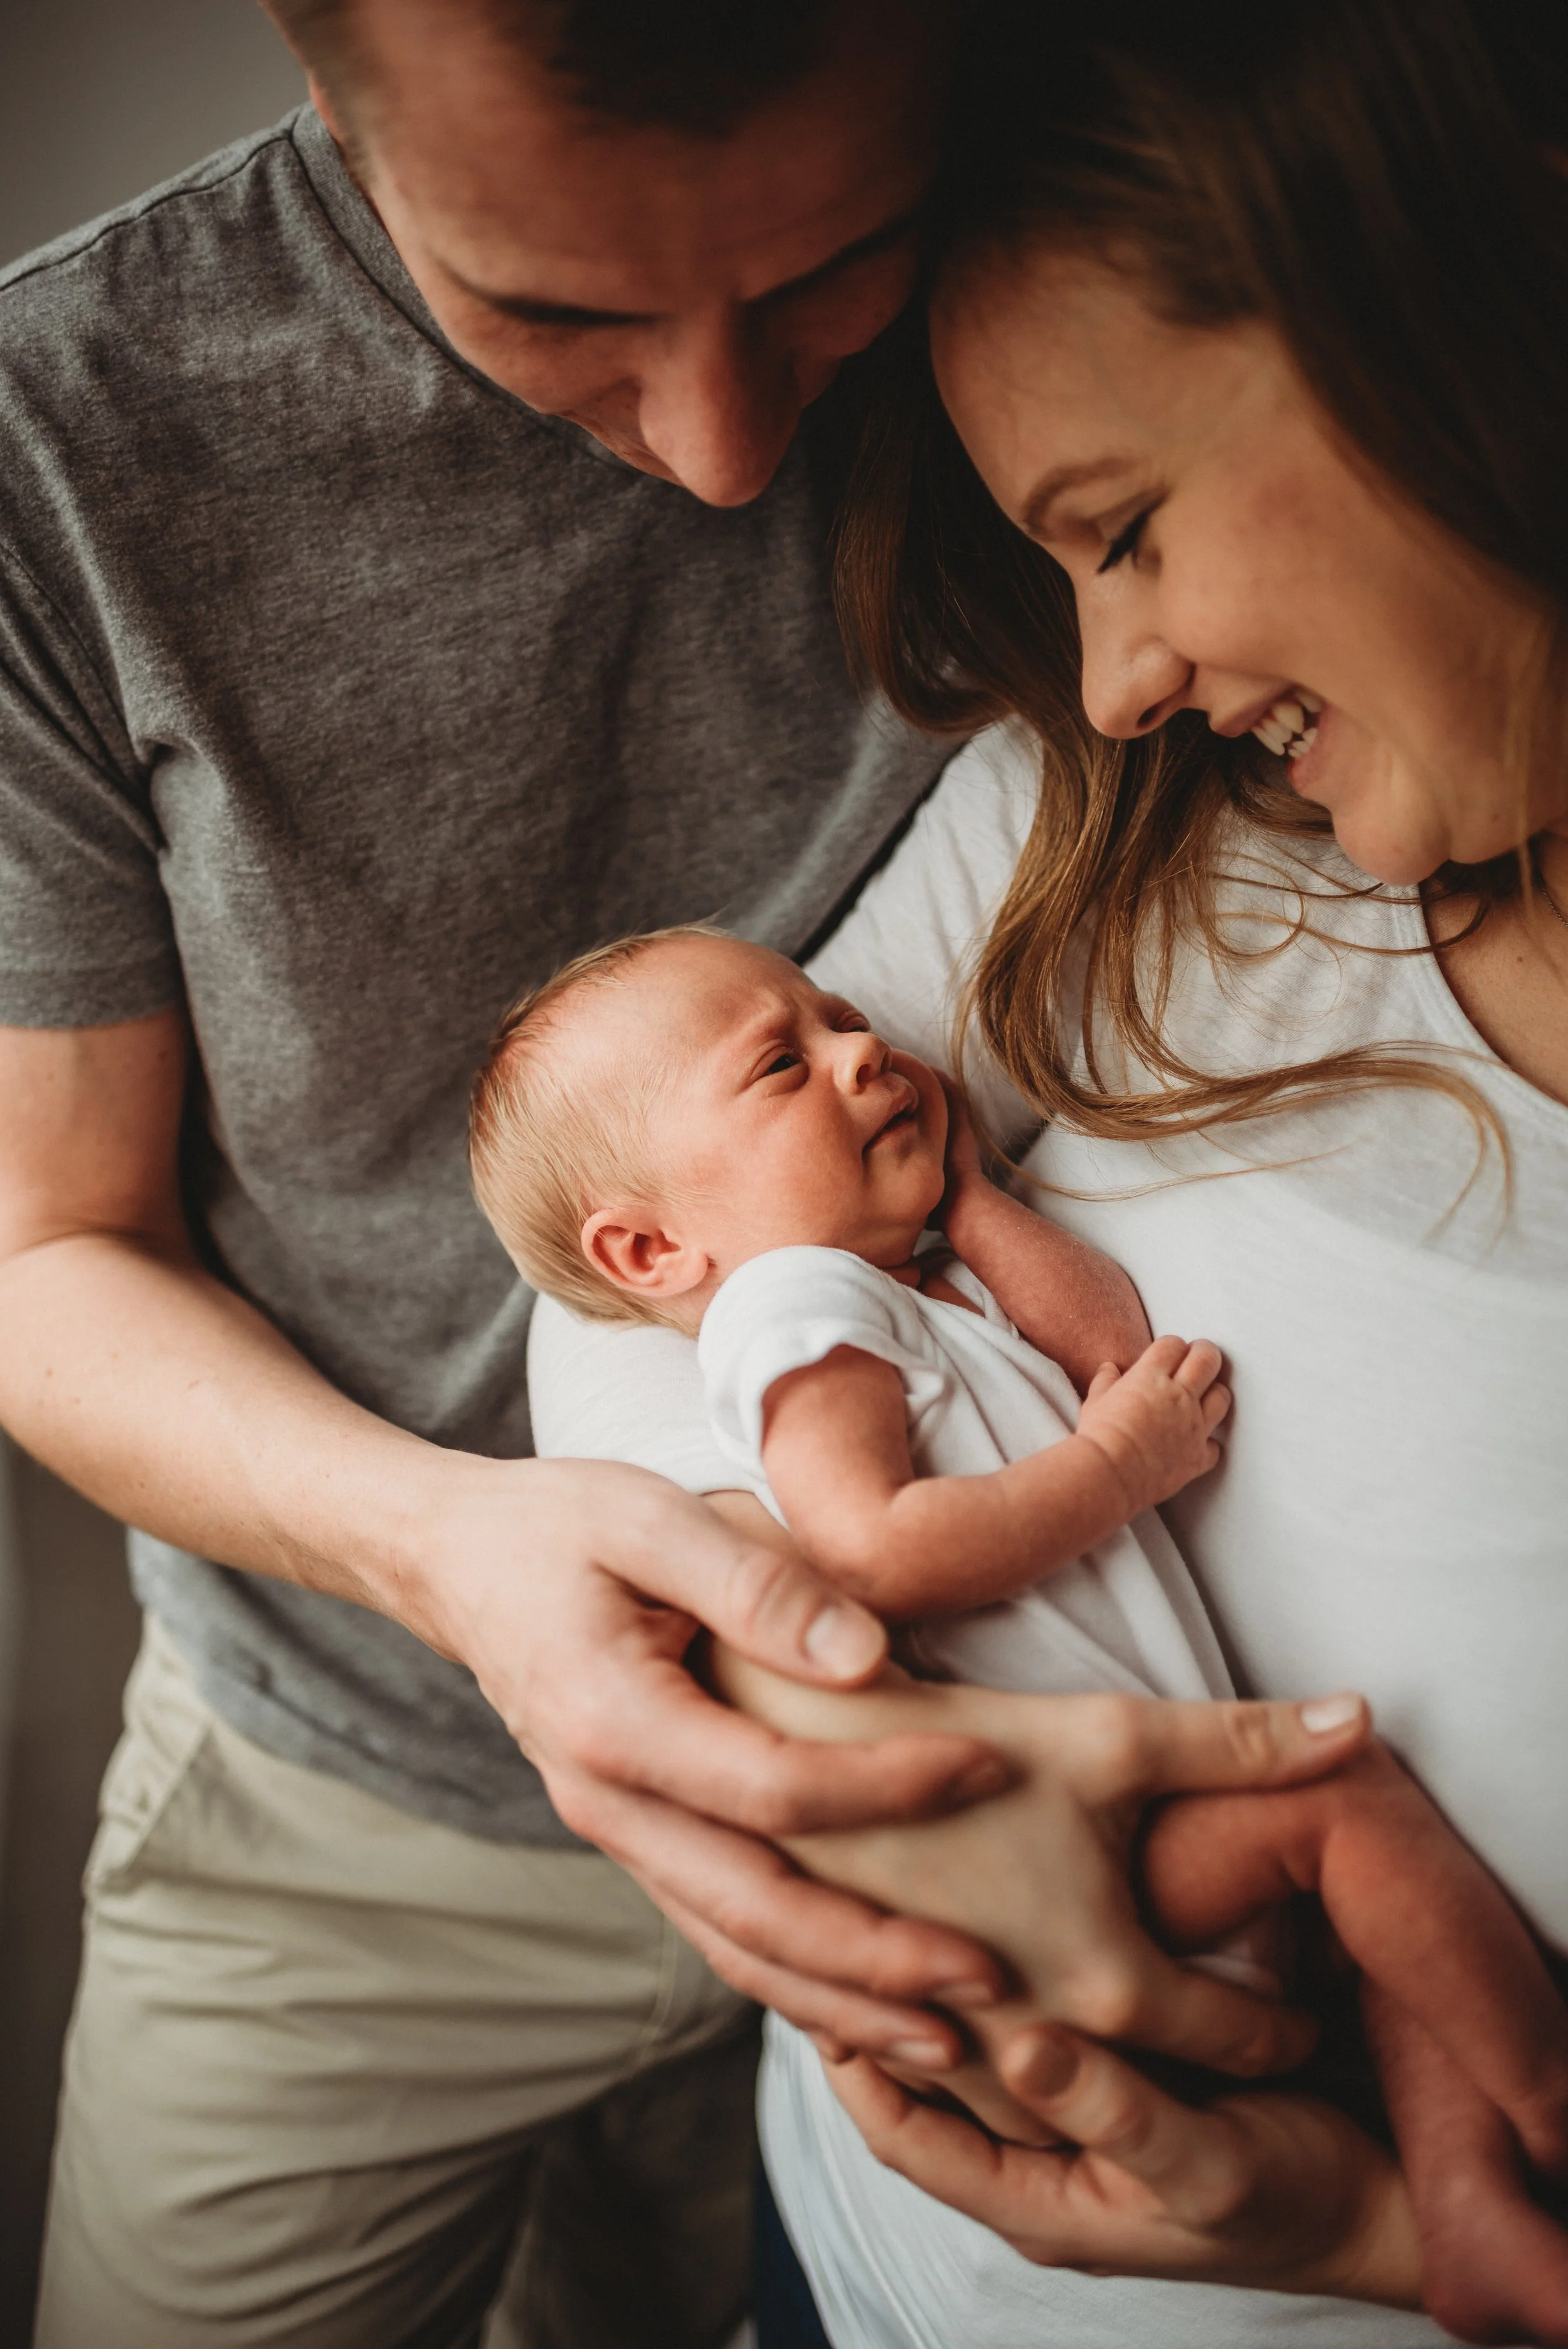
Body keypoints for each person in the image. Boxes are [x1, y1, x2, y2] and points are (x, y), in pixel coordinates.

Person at [525, 0, 1568, 2340]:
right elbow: (639, 1274)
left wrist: (1367, 2237)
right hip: (867, 2254)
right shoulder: (1134, 836)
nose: (1102, 677)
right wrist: (851, 1762)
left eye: (1125, 528)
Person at [0, 3, 1000, 2340]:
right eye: (559, 313)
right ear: (319, 74)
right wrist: (451, 1551)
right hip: (346, 1822)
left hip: (940, 1785)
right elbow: (44, 1243)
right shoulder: (52, 447)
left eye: (840, 273)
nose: (730, 450)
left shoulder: (1098, 207)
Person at [471, 917, 1568, 2191]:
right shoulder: (793, 1308)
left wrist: (973, 1198)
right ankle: (1544, 2107)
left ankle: (1469, 2209)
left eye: (837, 1015)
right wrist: (1116, 1469)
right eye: (781, 1064)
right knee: (1346, 1800)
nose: (858, 1047)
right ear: (652, 1251)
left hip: (1136, 1822)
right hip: (1082, 1848)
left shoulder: (906, 1285)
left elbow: (1108, 1345)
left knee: (1383, 1915)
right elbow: (871, 1545)